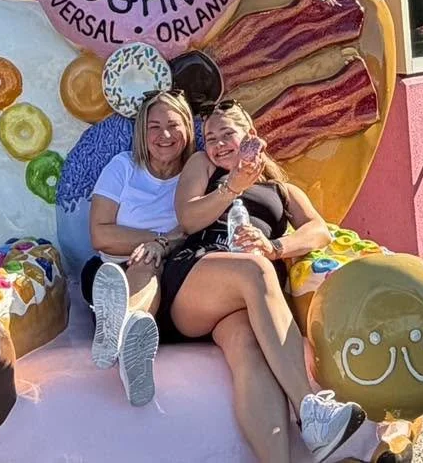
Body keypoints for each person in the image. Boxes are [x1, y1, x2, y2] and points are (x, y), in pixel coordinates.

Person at [159, 99, 367, 463]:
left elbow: (319, 232)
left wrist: (275, 246)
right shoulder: (203, 165)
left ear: (251, 136)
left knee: (249, 352)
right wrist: (232, 186)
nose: (219, 143)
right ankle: (311, 411)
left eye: (228, 134)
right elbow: (189, 218)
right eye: (211, 137)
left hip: (245, 297)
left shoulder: (282, 190)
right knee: (254, 270)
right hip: (199, 276)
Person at [80, 89, 195, 407]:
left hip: (173, 271)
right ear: (141, 133)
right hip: (114, 273)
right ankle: (130, 338)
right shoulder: (123, 167)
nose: (164, 135)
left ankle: (122, 333)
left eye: (173, 124)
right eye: (154, 127)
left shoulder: (196, 173)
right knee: (145, 258)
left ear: (187, 127)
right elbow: (100, 234)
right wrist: (157, 239)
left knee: (148, 259)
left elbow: (195, 225)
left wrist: (160, 246)